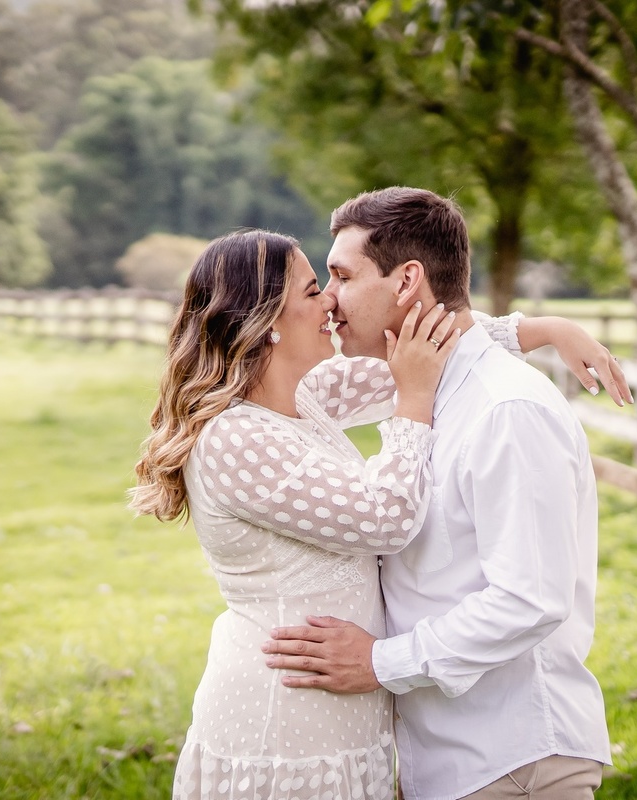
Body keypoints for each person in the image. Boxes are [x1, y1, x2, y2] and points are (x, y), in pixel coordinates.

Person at [132, 226, 624, 800]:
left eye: (335, 281)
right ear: (268, 320)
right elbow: (385, 518)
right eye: (315, 288)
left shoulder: (302, 397)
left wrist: (544, 330)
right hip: (287, 710)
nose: (331, 302)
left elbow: (430, 347)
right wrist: (414, 404)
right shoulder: (235, 436)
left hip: (345, 707)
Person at [262, 188, 612, 800]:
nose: (330, 300)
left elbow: (530, 599)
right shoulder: (419, 390)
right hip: (442, 760)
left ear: (407, 282)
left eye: (342, 275)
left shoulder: (507, 411)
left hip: (513, 761)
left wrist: (379, 663)